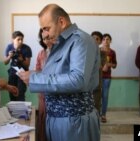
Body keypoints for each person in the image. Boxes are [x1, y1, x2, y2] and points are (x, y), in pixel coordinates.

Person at [18, 4, 100, 141]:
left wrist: (36, 79)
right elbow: (57, 75)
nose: (45, 34)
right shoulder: (59, 43)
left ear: (61, 22)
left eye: (46, 28)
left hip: (73, 121)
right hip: (55, 119)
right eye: (42, 30)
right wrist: (36, 74)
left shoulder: (80, 40)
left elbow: (78, 79)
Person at [35, 29, 55, 141]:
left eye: (49, 37)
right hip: (43, 92)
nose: (47, 41)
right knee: (43, 117)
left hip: (56, 91)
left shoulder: (60, 52)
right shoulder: (41, 53)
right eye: (44, 39)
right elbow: (37, 70)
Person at [4, 31, 32, 101]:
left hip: (23, 73)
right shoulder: (9, 47)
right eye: (18, 39)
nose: (20, 41)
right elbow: (5, 62)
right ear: (13, 39)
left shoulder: (27, 48)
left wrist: (21, 59)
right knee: (12, 92)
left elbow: (27, 65)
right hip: (12, 72)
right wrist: (9, 56)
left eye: (22, 39)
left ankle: (22, 110)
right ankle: (13, 110)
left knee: (20, 93)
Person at [100, 33, 117, 123]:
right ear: (101, 41)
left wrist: (108, 64)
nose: (105, 41)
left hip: (107, 78)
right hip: (98, 77)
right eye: (104, 39)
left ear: (110, 41)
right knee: (97, 96)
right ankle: (96, 114)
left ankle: (103, 115)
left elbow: (115, 65)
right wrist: (101, 66)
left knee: (105, 96)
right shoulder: (98, 50)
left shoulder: (112, 52)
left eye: (107, 39)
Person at [91, 31, 103, 115]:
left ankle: (96, 121)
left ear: (100, 41)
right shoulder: (85, 51)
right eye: (93, 38)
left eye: (97, 39)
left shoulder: (103, 53)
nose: (95, 40)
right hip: (87, 83)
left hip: (97, 82)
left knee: (96, 103)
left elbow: (101, 66)